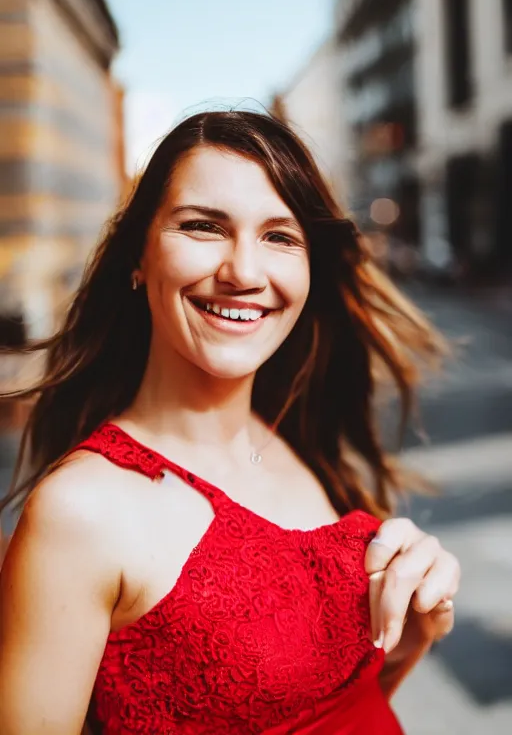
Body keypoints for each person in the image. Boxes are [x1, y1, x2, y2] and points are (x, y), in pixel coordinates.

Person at [0, 110, 460, 734]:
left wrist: (410, 638)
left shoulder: (292, 439)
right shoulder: (81, 512)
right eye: (203, 227)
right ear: (139, 256)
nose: (244, 272)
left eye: (280, 236)